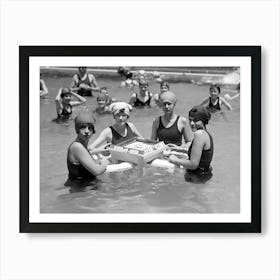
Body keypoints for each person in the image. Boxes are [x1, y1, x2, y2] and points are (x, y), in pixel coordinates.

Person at [168, 105, 213, 183]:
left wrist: (175, 160)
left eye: (196, 120)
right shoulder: (205, 133)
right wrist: (180, 149)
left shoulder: (199, 134)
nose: (192, 123)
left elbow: (193, 164)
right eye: (190, 120)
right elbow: (201, 154)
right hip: (204, 175)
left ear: (203, 121)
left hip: (196, 178)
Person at [65, 112, 109, 183]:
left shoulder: (80, 146)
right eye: (83, 127)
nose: (87, 131)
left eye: (90, 128)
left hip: (82, 187)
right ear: (77, 130)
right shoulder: (77, 146)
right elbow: (97, 171)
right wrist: (106, 161)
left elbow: (85, 154)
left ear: (93, 131)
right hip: (81, 190)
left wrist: (99, 150)